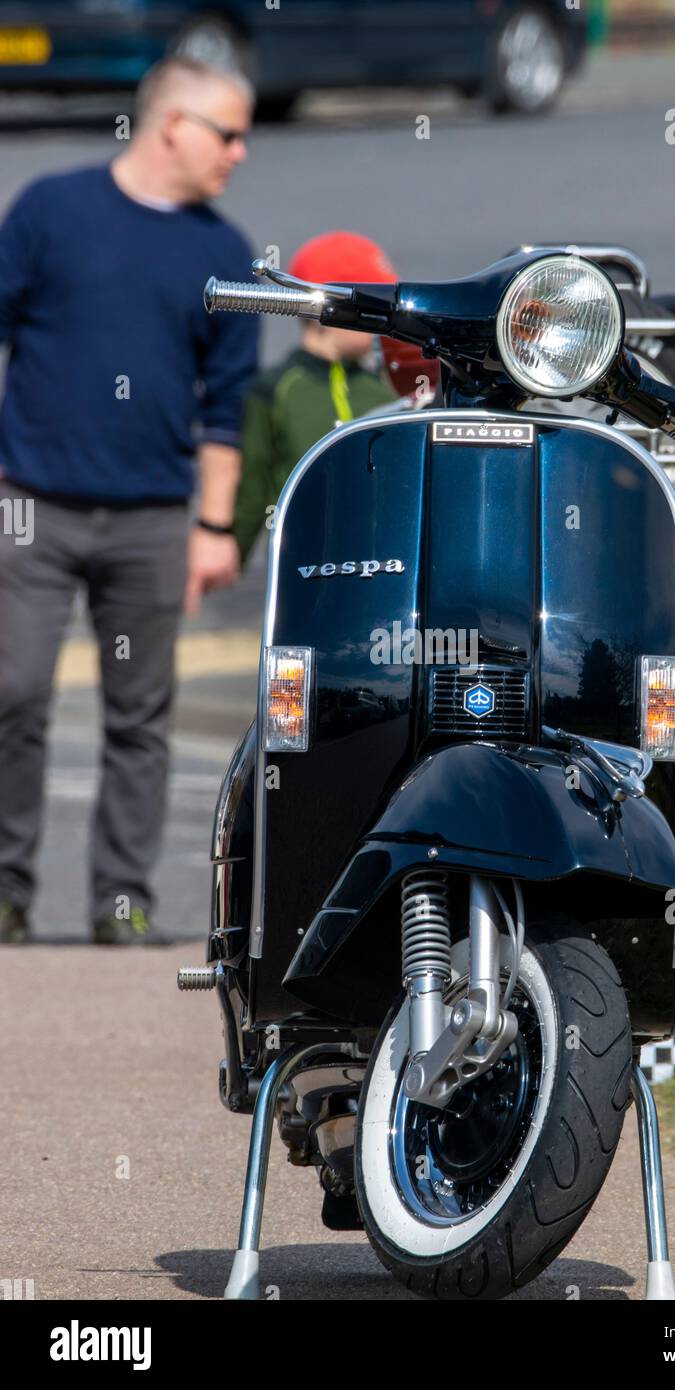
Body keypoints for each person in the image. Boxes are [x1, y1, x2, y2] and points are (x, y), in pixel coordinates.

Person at [0, 56, 259, 945]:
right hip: (29, 502)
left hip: (152, 516)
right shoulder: (50, 211)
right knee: (14, 689)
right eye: (228, 132)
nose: (240, 151)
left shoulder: (222, 253)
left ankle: (121, 902)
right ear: (173, 125)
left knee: (140, 715)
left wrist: (214, 527)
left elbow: (225, 407)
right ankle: (6, 894)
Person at [233, 232, 399, 567]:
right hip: (304, 561)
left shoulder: (383, 387)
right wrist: (231, 549)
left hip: (382, 557)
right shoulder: (277, 389)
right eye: (372, 305)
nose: (384, 320)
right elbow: (252, 485)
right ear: (327, 306)